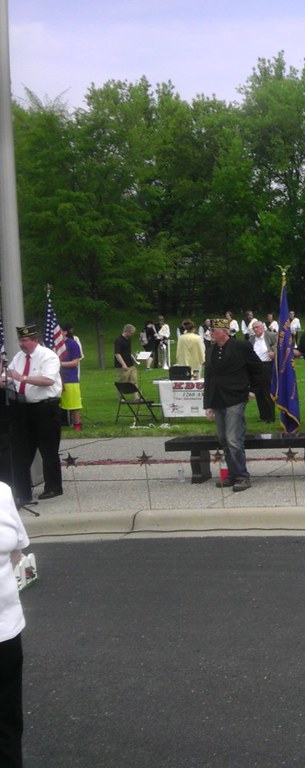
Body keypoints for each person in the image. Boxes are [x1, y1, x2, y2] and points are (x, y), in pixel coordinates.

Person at [1, 325, 64, 505]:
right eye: (20, 340)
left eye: (25, 340)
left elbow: (48, 380)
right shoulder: (19, 358)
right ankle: (21, 488)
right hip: (23, 409)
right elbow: (10, 376)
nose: (22, 344)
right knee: (23, 450)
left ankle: (53, 487)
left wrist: (23, 378)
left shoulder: (48, 356)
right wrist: (5, 380)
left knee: (48, 449)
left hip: (45, 408)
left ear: (35, 340)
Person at [203, 318, 262, 492]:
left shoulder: (241, 347)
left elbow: (258, 369)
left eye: (214, 330)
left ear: (224, 331)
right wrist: (208, 404)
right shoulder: (211, 350)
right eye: (210, 330)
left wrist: (253, 390)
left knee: (233, 438)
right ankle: (232, 473)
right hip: (218, 398)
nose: (211, 333)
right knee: (223, 439)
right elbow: (209, 377)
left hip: (236, 397)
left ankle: (243, 476)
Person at [0, 481, 29, 766]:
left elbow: (16, 551)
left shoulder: (2, 492)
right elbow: (14, 553)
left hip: (5, 632)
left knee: (7, 723)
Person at [248, 320, 277, 423]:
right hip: (256, 367)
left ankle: (270, 417)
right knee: (258, 392)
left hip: (267, 366)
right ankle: (263, 416)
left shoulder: (271, 335)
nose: (255, 329)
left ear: (262, 327)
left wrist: (274, 354)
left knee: (266, 392)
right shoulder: (251, 339)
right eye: (254, 328)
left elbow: (280, 347)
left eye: (257, 327)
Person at [57, 322, 84, 431]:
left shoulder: (72, 343)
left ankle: (77, 423)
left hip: (70, 377)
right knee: (56, 403)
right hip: (56, 378)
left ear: (65, 332)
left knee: (74, 403)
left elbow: (75, 362)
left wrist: (60, 364)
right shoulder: (53, 345)